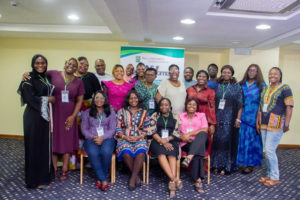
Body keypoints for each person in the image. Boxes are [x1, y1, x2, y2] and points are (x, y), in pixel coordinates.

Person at [18, 54, 55, 189]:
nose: (40, 65)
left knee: (43, 147)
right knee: (34, 148)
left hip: (44, 117)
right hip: (33, 117)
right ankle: (34, 181)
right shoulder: (28, 79)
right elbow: (29, 98)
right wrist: (48, 99)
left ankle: (44, 177)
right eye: (37, 63)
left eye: (43, 63)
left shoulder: (45, 77)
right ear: (33, 64)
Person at [47, 58, 85, 181]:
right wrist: (26, 74)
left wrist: (73, 116)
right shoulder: (54, 74)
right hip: (54, 113)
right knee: (54, 141)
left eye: (74, 65)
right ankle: (53, 169)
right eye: (69, 64)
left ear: (76, 69)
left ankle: (64, 169)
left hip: (69, 114)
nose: (71, 66)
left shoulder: (78, 82)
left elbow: (79, 100)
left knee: (67, 142)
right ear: (65, 64)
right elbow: (39, 74)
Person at [257, 67, 293, 186]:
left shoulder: (285, 88)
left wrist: (287, 123)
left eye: (275, 74)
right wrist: (258, 120)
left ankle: (275, 177)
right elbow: (261, 106)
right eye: (270, 73)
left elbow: (289, 106)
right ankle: (269, 173)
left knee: (270, 150)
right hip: (264, 122)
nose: (272, 75)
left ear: (280, 75)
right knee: (266, 150)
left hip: (276, 123)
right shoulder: (266, 88)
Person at [81, 90, 116, 191]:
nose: (99, 100)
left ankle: (100, 179)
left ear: (105, 100)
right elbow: (84, 128)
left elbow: (112, 128)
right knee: (93, 153)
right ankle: (103, 179)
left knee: (106, 152)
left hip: (107, 138)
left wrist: (102, 137)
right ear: (93, 100)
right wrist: (93, 137)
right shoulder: (87, 112)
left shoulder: (111, 112)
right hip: (91, 138)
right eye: (97, 98)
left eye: (101, 98)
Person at [211, 65, 243, 175]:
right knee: (217, 141)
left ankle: (226, 166)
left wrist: (238, 119)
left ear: (232, 74)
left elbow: (240, 104)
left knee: (227, 142)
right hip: (218, 117)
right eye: (224, 72)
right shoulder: (218, 86)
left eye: (228, 72)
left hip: (230, 118)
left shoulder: (236, 86)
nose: (226, 74)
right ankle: (215, 165)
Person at [115, 90, 150, 191]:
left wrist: (138, 137)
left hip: (140, 138)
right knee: (125, 151)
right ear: (128, 100)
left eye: (135, 98)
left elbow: (147, 129)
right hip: (125, 138)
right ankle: (137, 177)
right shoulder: (122, 111)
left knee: (141, 151)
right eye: (131, 98)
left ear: (138, 99)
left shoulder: (144, 112)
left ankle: (132, 178)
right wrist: (125, 137)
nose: (133, 100)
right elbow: (118, 127)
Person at [149, 98, 182, 198]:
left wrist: (166, 140)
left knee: (172, 154)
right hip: (157, 141)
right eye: (162, 105)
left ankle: (171, 185)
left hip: (171, 141)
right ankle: (174, 179)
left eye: (166, 105)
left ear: (170, 106)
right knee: (161, 154)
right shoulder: (155, 115)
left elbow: (176, 132)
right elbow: (152, 131)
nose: (164, 106)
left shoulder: (175, 116)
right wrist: (161, 141)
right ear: (159, 106)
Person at [236, 64, 266, 174]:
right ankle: (241, 161)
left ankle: (250, 164)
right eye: (250, 70)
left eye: (254, 70)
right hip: (242, 116)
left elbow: (262, 104)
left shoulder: (262, 86)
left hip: (254, 118)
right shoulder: (241, 84)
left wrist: (259, 119)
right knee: (242, 140)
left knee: (252, 141)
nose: (251, 72)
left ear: (257, 72)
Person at [179, 98, 208, 194]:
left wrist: (190, 133)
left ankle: (189, 157)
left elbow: (205, 129)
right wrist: (183, 137)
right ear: (186, 105)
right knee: (198, 151)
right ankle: (198, 181)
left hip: (200, 141)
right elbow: (175, 131)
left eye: (194, 105)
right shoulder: (180, 116)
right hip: (185, 143)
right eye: (189, 104)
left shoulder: (201, 115)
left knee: (202, 134)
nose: (191, 106)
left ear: (197, 107)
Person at [186, 70, 217, 154]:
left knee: (203, 137)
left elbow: (212, 107)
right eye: (200, 76)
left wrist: (212, 124)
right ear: (196, 78)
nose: (201, 78)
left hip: (205, 117)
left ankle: (204, 164)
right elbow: (186, 104)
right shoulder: (189, 89)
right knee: (190, 136)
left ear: (207, 79)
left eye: (204, 76)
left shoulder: (211, 91)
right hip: (190, 117)